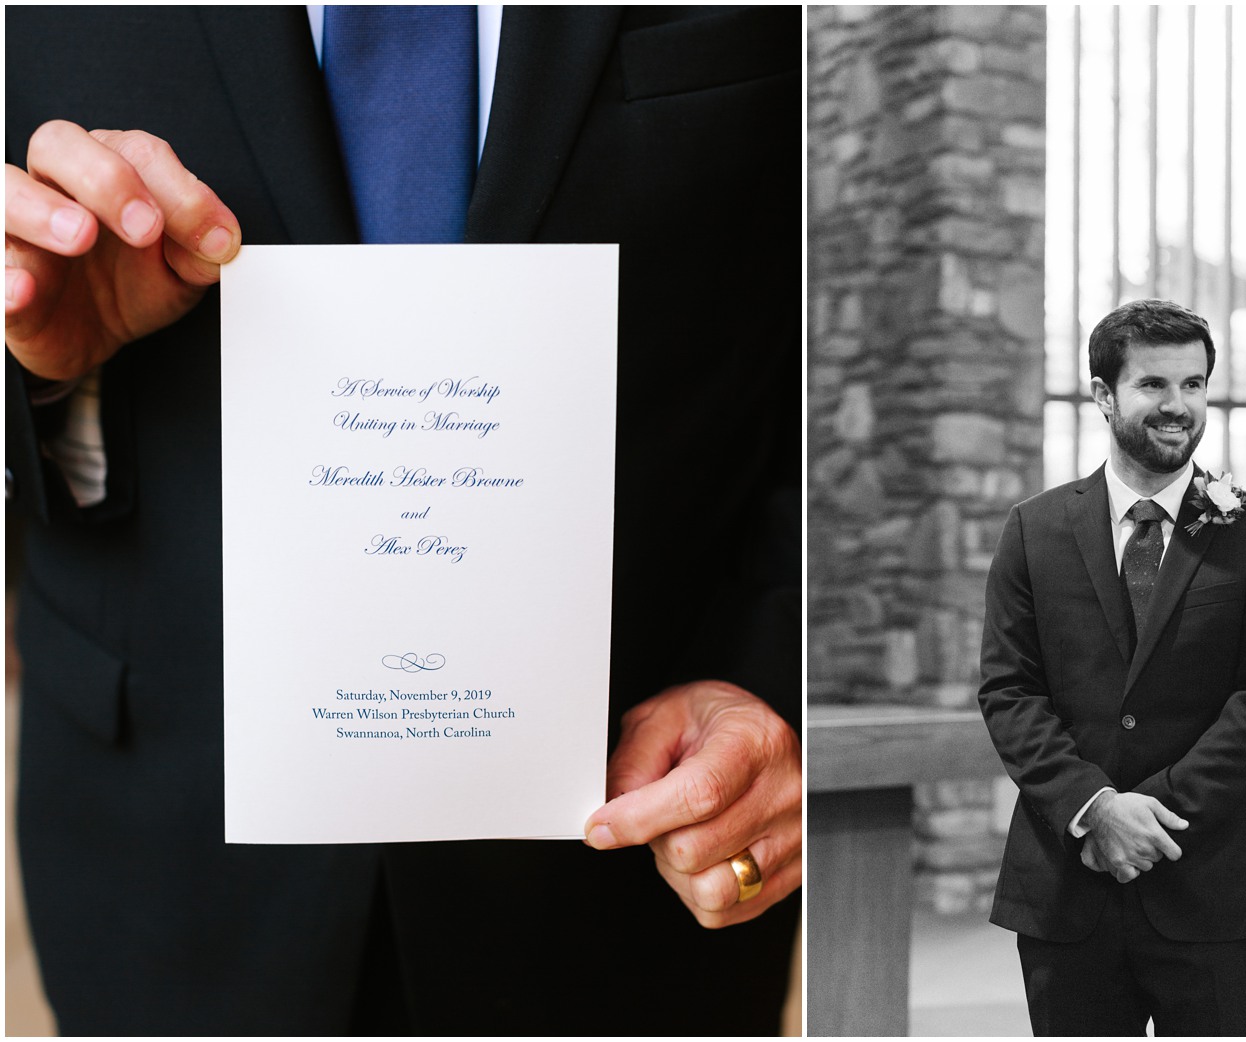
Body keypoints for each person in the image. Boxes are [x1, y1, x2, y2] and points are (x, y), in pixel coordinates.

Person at [5, 7, 800, 1035]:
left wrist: (783, 680)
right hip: (161, 859)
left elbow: (819, 320)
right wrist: (37, 362)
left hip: (626, 866)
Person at [977, 298, 1246, 1036]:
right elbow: (1008, 689)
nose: (1178, 406)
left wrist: (1147, 814)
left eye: (1194, 386)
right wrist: (1096, 809)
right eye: (1154, 385)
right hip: (1070, 889)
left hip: (1214, 886)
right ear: (1104, 395)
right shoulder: (1035, 529)